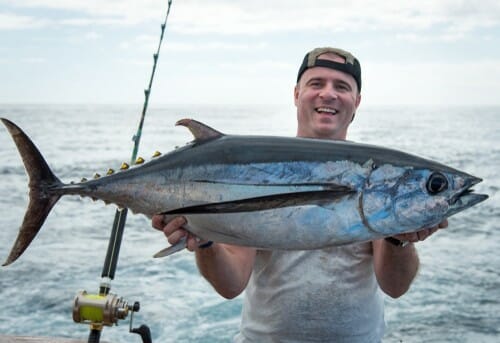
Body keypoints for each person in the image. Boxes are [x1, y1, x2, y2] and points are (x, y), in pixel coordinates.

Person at [152, 47, 448, 342]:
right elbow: (231, 285)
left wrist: (399, 238)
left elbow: (395, 287)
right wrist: (204, 242)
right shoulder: (258, 169)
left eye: (342, 86)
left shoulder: (375, 178)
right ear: (296, 94)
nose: (328, 94)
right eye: (316, 83)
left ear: (356, 102)